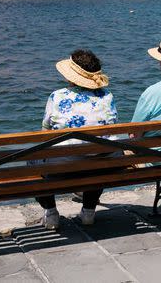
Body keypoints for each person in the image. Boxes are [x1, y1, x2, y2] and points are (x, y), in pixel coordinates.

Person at [37, 49, 117, 230]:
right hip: (102, 166)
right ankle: (88, 211)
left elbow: (45, 133)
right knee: (96, 153)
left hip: (62, 168)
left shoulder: (57, 96)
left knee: (34, 161)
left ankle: (51, 213)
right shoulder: (107, 96)